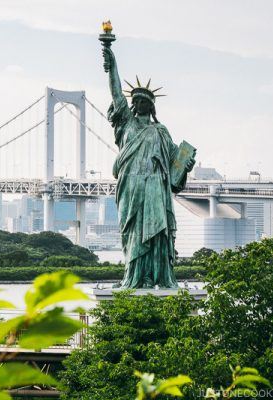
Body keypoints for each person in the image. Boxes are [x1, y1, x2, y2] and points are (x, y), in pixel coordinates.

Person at [102, 45, 196, 289]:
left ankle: (157, 276)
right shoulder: (125, 124)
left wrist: (186, 165)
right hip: (131, 186)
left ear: (151, 105)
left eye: (145, 100)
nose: (140, 103)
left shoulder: (161, 131)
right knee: (132, 232)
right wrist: (112, 63)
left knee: (157, 234)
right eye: (137, 100)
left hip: (155, 186)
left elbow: (175, 167)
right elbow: (116, 94)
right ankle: (133, 276)